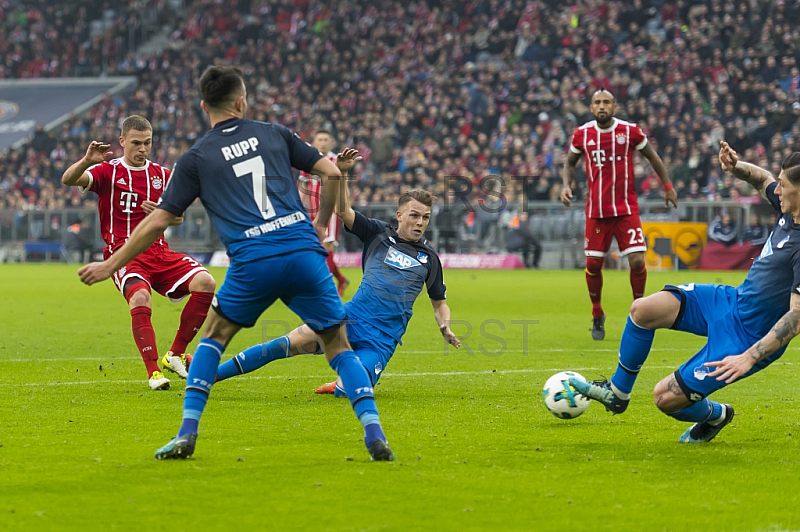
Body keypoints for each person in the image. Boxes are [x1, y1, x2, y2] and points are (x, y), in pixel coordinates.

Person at [77, 66, 394, 462]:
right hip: (302, 253)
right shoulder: (275, 133)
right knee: (337, 345)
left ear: (203, 106)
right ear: (241, 101)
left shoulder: (197, 156)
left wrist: (110, 265)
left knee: (213, 338)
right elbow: (330, 172)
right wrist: (318, 223)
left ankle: (186, 435)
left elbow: (159, 219)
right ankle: (374, 433)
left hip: (253, 260)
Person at [571, 140, 800, 443]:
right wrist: (736, 167)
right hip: (731, 302)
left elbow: (796, 316)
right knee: (643, 310)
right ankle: (618, 393)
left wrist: (748, 357)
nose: (778, 190)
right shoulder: (787, 208)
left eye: (784, 186)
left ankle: (717, 415)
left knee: (664, 398)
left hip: (748, 337)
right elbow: (762, 180)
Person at [213, 148, 461, 396]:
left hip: (381, 340)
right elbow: (344, 211)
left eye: (425, 218)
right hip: (347, 320)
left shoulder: (429, 259)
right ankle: (210, 375)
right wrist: (341, 173)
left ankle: (341, 382)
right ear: (400, 215)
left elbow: (439, 304)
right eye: (415, 215)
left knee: (350, 391)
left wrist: (445, 326)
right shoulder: (378, 234)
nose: (420, 223)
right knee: (280, 346)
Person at [62, 115, 216, 391]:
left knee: (207, 282)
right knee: (141, 297)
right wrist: (87, 161)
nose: (142, 148)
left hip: (159, 252)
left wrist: (162, 214)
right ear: (122, 142)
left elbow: (178, 218)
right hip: (124, 255)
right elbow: (68, 179)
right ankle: (153, 371)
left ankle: (175, 354)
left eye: (147, 142)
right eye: (136, 143)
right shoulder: (107, 171)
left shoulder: (161, 175)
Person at [561, 89, 677, 340]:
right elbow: (570, 162)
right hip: (597, 212)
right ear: (591, 108)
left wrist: (668, 187)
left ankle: (640, 311)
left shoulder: (630, 131)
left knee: (636, 260)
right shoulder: (583, 134)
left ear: (615, 106)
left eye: (607, 102)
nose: (602, 106)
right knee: (593, 264)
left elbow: (653, 157)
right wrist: (566, 185)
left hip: (626, 210)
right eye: (597, 103)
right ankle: (597, 312)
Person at [298, 130, 349, 297]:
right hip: (312, 212)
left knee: (327, 247)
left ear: (331, 142)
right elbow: (304, 188)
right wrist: (297, 207)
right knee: (315, 249)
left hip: (331, 212)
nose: (323, 142)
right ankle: (340, 279)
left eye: (326, 139)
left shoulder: (336, 161)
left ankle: (325, 286)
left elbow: (342, 188)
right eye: (320, 139)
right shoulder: (309, 163)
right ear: (314, 142)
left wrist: (344, 210)